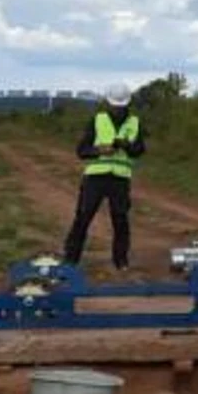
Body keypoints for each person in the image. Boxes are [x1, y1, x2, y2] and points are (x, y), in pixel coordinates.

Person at [60, 82, 145, 272]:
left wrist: (126, 145)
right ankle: (71, 259)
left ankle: (120, 261)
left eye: (120, 106)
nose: (118, 109)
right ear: (108, 104)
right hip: (96, 177)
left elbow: (139, 150)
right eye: (115, 106)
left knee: (120, 220)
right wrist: (99, 150)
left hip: (120, 179)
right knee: (83, 217)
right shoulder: (97, 120)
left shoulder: (134, 123)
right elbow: (81, 151)